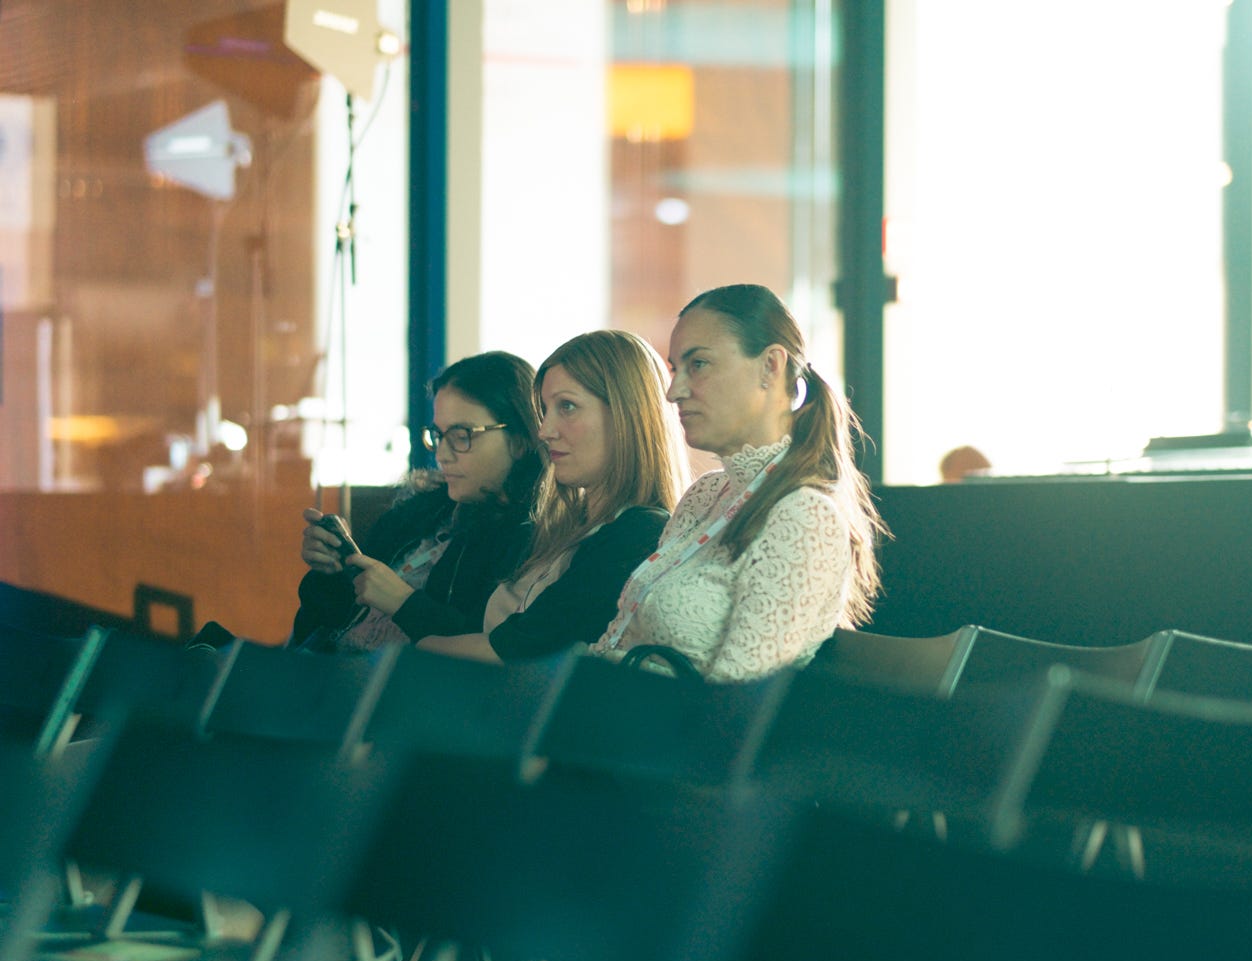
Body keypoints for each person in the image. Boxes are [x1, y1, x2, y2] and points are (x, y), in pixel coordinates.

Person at [593, 283, 886, 681]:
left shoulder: (805, 514)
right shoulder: (707, 494)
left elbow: (736, 697)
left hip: (672, 719)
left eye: (698, 364)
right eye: (676, 369)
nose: (673, 392)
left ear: (771, 366)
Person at [420, 330, 687, 662]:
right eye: (546, 410)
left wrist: (406, 650)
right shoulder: (564, 526)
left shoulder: (638, 533)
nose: (545, 431)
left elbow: (513, 652)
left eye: (567, 407)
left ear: (626, 415)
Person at [291, 350, 540, 652]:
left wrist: (404, 603)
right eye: (438, 434)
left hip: (403, 680)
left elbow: (495, 654)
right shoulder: (417, 513)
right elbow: (323, 628)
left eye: (462, 435)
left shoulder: (535, 539)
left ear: (520, 440)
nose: (442, 454)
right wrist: (331, 574)